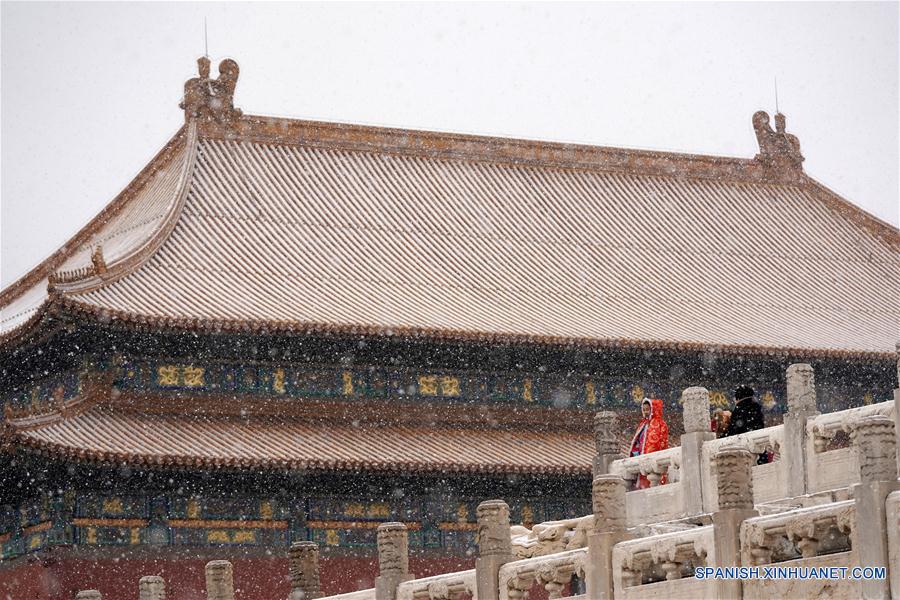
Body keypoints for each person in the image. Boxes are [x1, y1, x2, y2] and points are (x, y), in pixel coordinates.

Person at [629, 398, 670, 489]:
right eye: (643, 410)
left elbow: (661, 443)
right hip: (641, 458)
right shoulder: (643, 424)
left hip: (652, 460)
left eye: (647, 409)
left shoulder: (660, 424)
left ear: (653, 409)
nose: (645, 412)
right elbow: (637, 442)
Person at [723, 385, 768, 464]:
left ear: (737, 398)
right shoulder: (756, 409)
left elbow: (733, 431)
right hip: (760, 451)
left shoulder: (739, 410)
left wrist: (720, 438)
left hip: (745, 453)